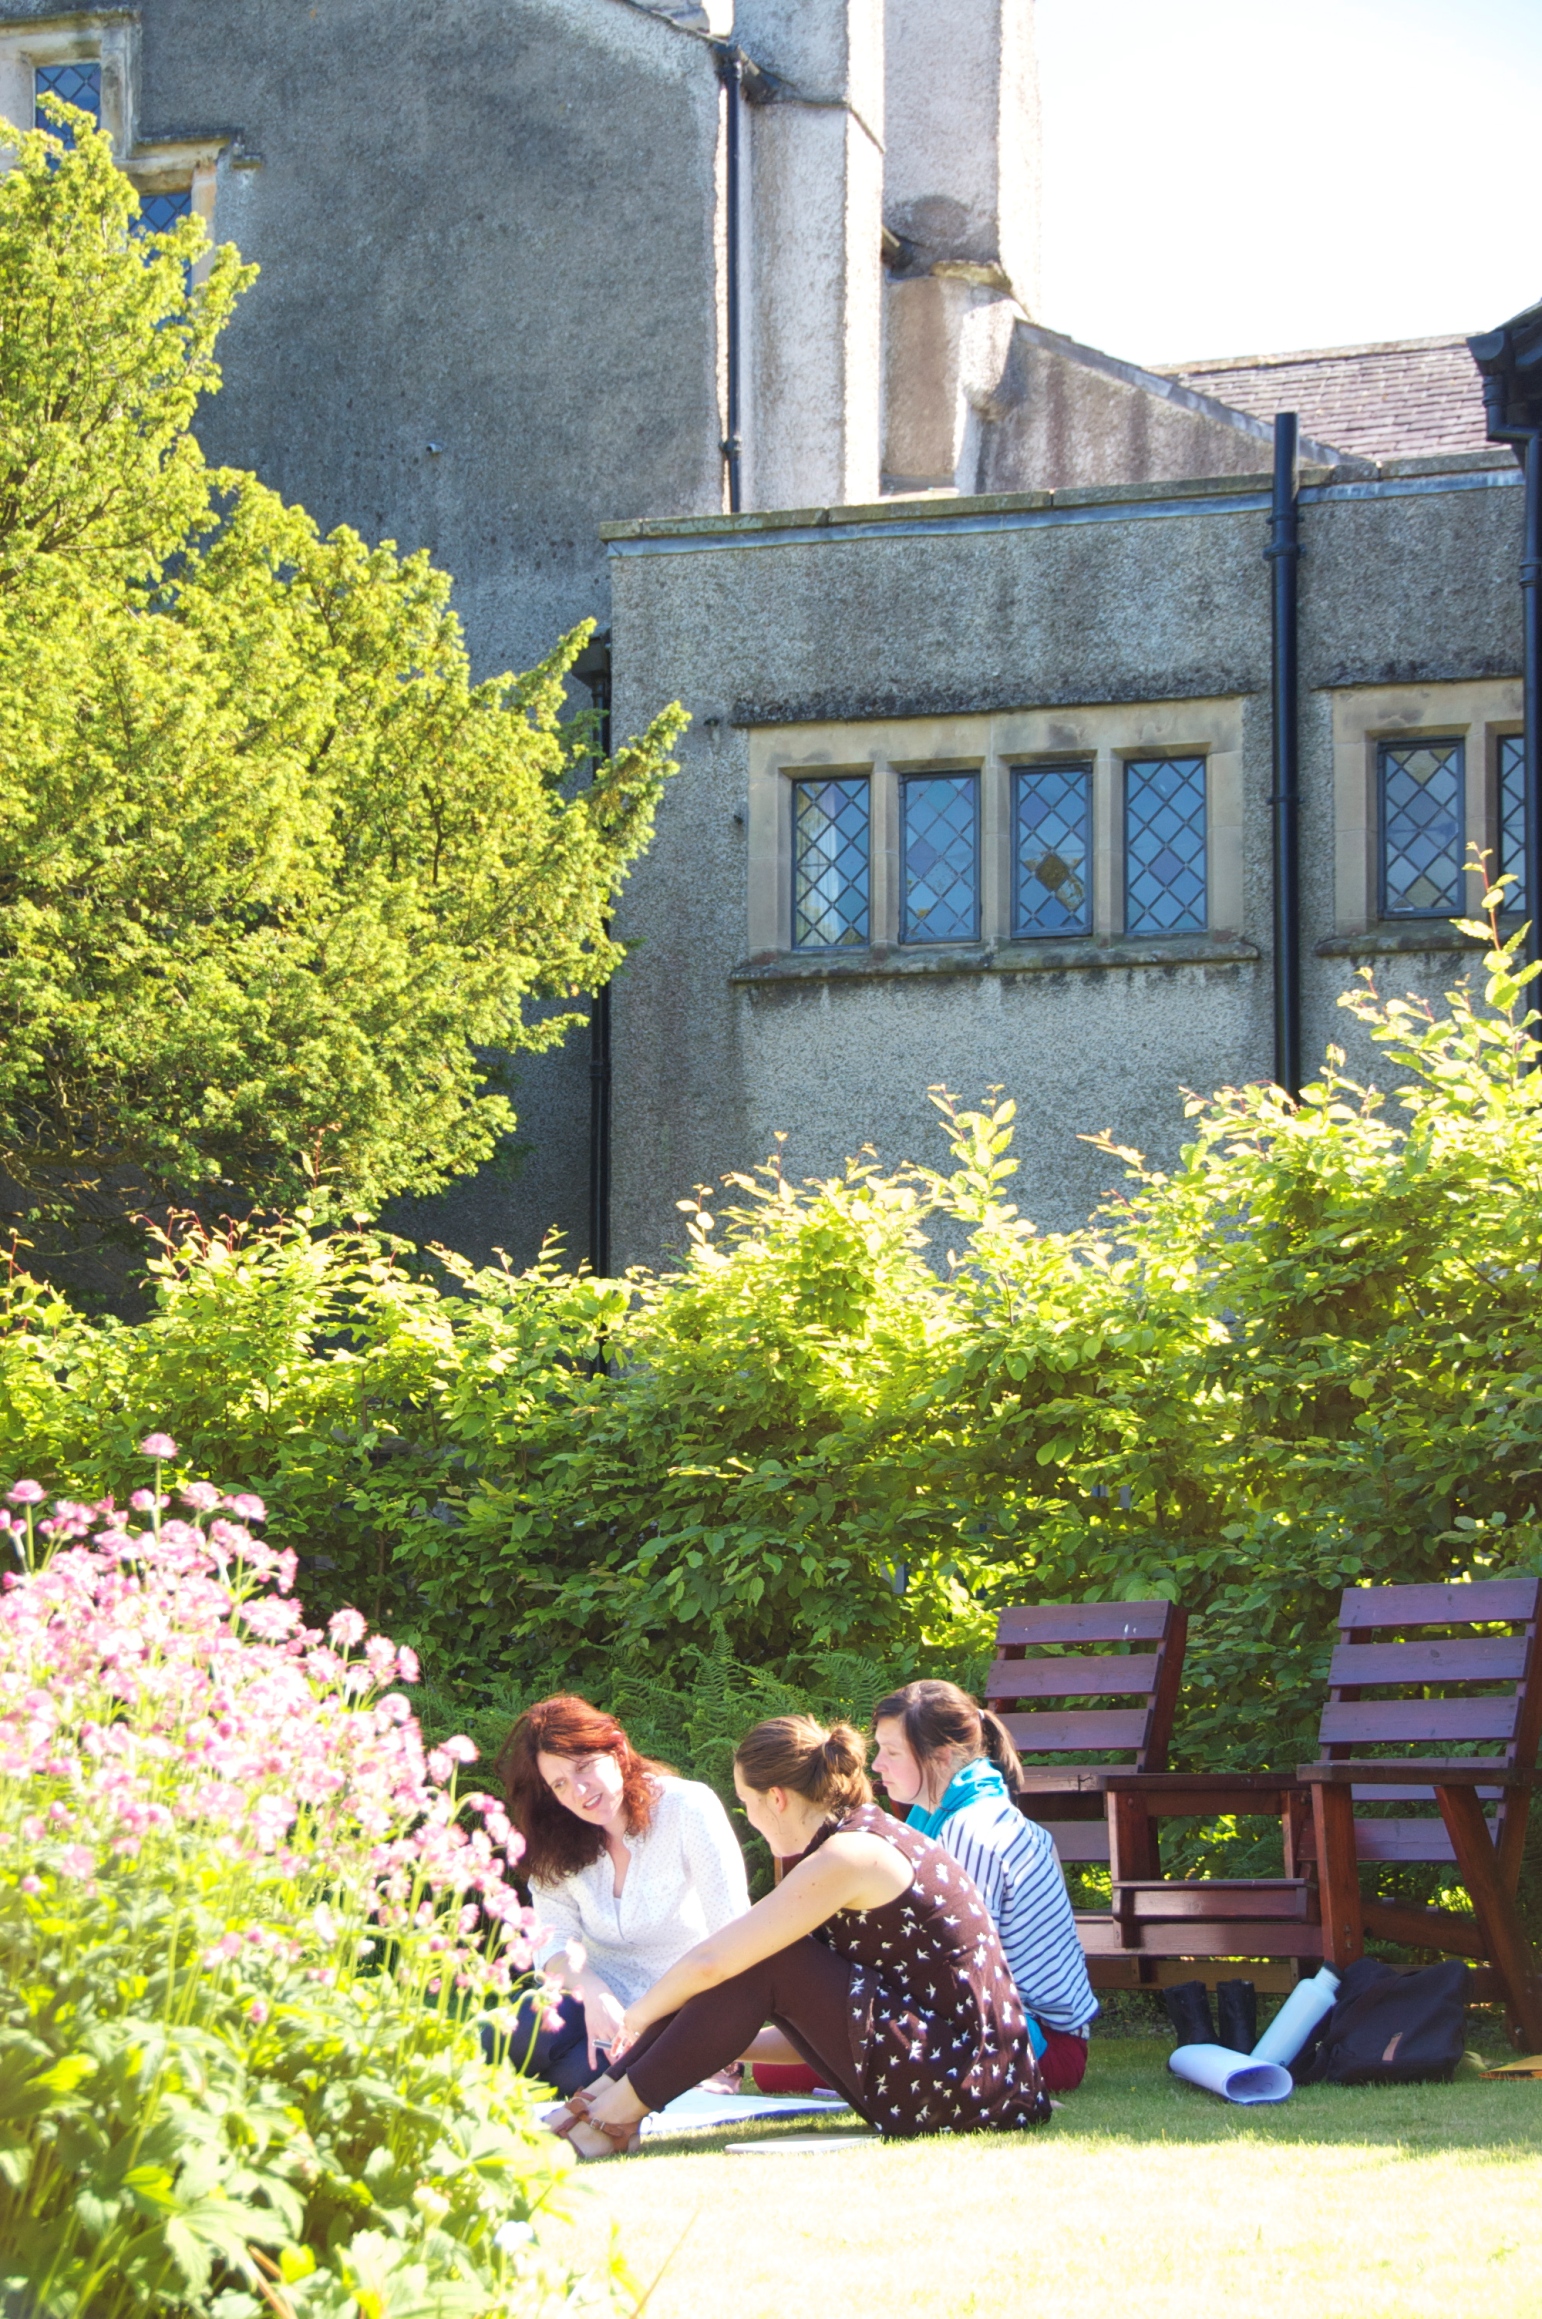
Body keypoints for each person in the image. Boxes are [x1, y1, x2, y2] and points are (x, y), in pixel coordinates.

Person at [546, 1714, 1048, 2157]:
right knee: (760, 1963)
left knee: (761, 1956)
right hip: (958, 2074)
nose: (750, 1820)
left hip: (969, 2089)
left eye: (747, 1804)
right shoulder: (847, 1842)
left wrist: (637, 2017)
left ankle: (611, 2117)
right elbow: (823, 2023)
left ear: (777, 1799)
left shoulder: (849, 1856)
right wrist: (709, 2040)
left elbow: (715, 1963)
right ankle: (599, 2104)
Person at [493, 1693, 750, 2098]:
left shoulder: (687, 1807)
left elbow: (734, 1934)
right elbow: (552, 1943)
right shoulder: (554, 1840)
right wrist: (594, 1992)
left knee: (580, 2075)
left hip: (674, 2015)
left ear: (616, 1747)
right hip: (592, 2005)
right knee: (523, 2028)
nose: (578, 1791)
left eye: (583, 1767)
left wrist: (720, 2040)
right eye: (559, 1784)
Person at [870, 1679, 1097, 2092]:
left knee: (793, 2065)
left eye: (892, 1752)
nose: (876, 1765)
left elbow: (960, 1964)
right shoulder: (943, 1815)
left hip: (1040, 2046)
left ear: (939, 1757)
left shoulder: (969, 1829)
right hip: (1008, 2027)